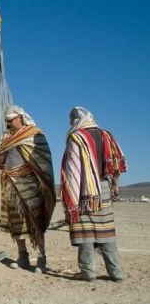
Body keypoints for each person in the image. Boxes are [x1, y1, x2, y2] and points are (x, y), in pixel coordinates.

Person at [0, 105, 56, 273]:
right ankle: (22, 257)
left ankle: (41, 260)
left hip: (31, 185)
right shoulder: (8, 138)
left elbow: (43, 163)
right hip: (11, 185)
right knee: (16, 223)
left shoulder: (34, 135)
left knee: (36, 223)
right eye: (6, 121)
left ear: (20, 117)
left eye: (10, 120)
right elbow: (1, 159)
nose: (8, 124)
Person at [60, 107, 127, 282]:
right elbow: (116, 163)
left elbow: (72, 169)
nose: (70, 123)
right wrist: (115, 186)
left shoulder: (77, 137)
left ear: (76, 119)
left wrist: (72, 194)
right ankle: (117, 273)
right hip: (104, 189)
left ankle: (88, 273)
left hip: (84, 191)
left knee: (85, 234)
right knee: (106, 232)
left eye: (71, 119)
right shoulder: (106, 135)